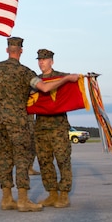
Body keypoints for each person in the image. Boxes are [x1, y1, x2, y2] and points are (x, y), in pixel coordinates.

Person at [0, 37, 80, 212]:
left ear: (7, 50)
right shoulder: (26, 73)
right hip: (17, 121)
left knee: (3, 158)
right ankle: (23, 200)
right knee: (22, 158)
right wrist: (67, 79)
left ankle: (6, 198)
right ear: (20, 51)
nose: (41, 62)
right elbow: (44, 88)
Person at [33, 49, 74, 208]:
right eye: (39, 60)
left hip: (58, 127)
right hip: (41, 127)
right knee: (44, 161)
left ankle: (64, 194)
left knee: (63, 160)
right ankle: (52, 193)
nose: (41, 62)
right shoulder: (35, 80)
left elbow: (73, 87)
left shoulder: (63, 77)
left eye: (45, 59)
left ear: (52, 61)